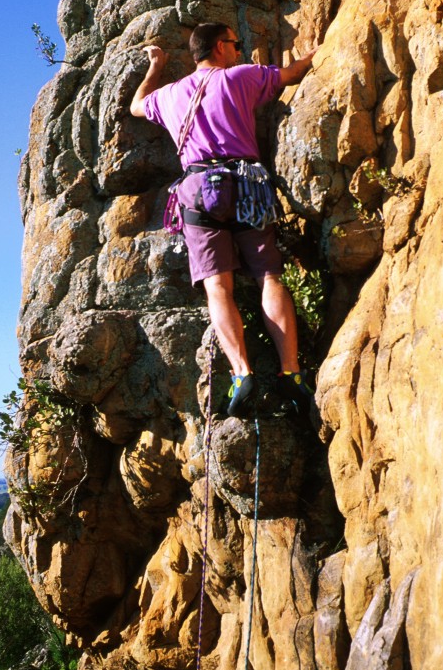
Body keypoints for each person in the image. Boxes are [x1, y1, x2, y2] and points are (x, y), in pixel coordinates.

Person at [130, 22, 315, 416]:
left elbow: (136, 105)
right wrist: (318, 51)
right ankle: (291, 372)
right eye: (235, 43)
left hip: (197, 189)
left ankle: (242, 373)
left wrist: (156, 66)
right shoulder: (241, 77)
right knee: (269, 276)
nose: (239, 50)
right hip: (246, 183)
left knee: (217, 286)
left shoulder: (170, 95)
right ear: (219, 46)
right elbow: (292, 73)